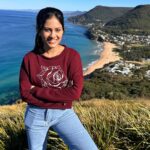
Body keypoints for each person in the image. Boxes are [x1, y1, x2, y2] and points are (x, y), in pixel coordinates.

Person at [19, 7, 98, 150]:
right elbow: (24, 94)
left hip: (64, 113)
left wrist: (36, 90)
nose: (53, 35)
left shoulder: (72, 56)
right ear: (39, 30)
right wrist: (62, 95)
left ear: (63, 30)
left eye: (58, 30)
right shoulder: (29, 59)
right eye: (47, 29)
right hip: (36, 114)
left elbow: (75, 93)